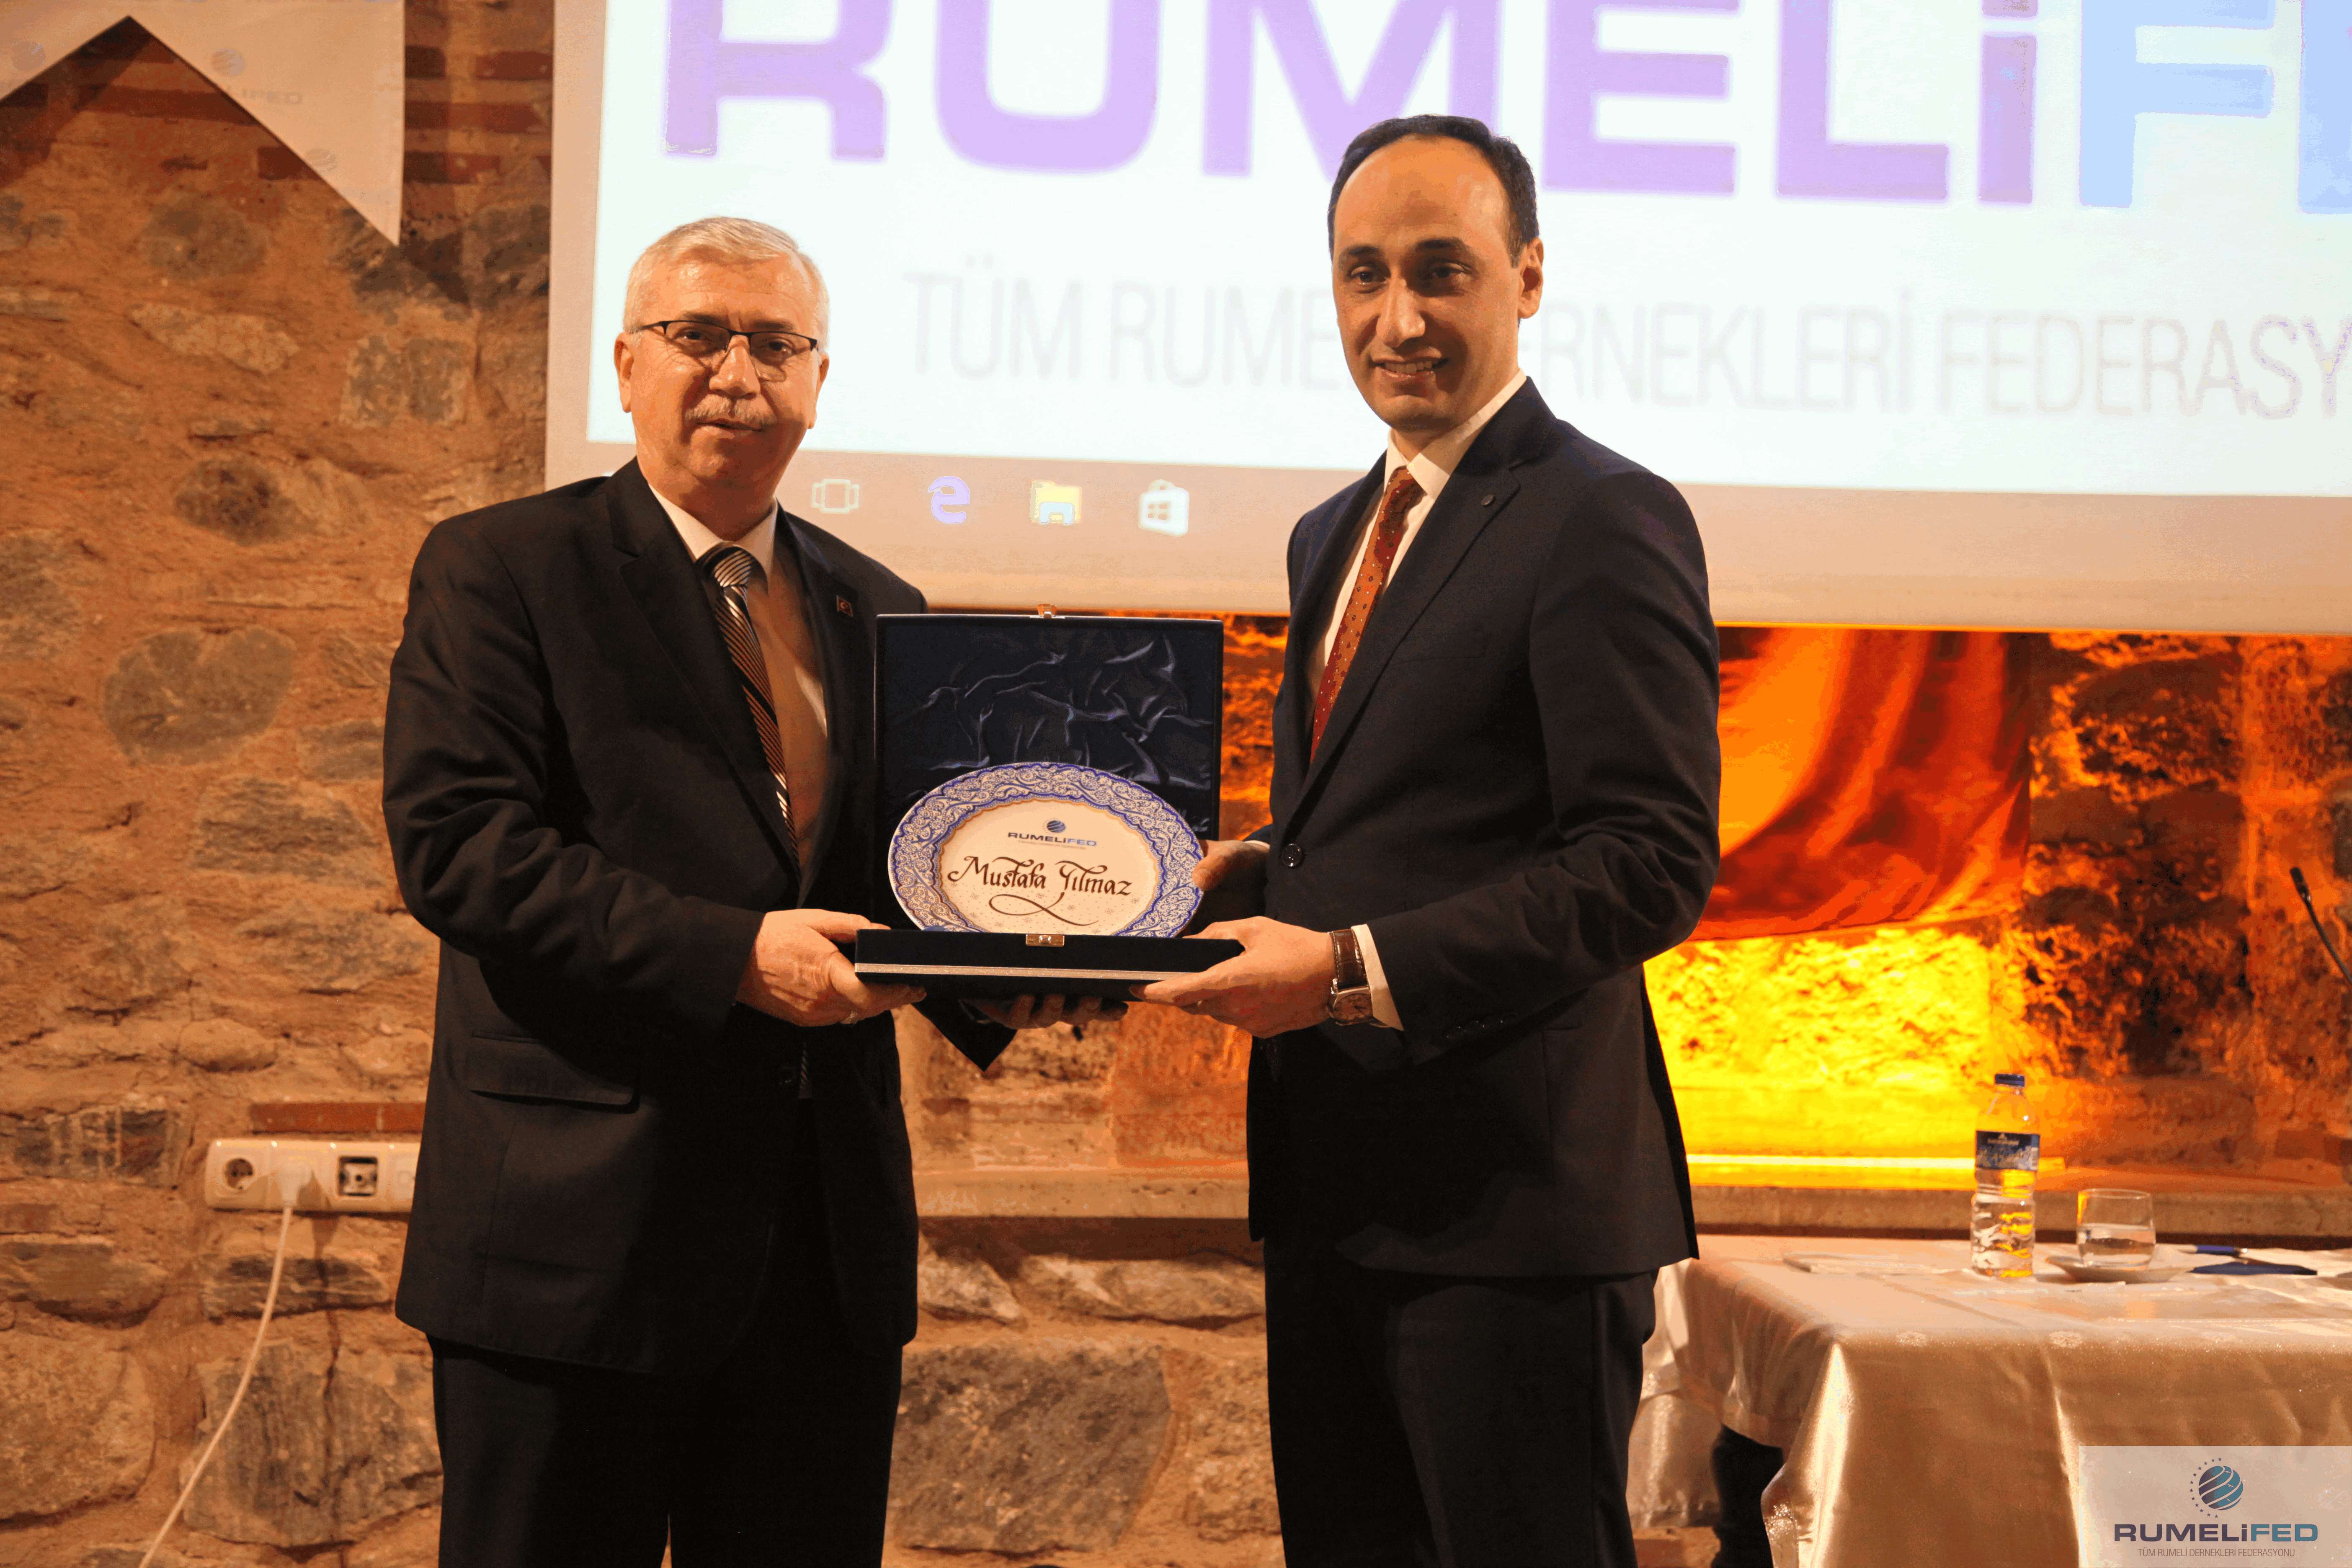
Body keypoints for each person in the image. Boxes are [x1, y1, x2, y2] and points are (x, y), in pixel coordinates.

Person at [383, 216, 1104, 1567]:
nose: (737, 373)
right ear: (627, 366)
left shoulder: (882, 604)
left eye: (777, 343)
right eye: (698, 335)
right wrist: (735, 956)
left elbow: (910, 878)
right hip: (570, 1250)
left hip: (816, 1261)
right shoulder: (503, 568)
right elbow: (459, 849)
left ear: (819, 380)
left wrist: (1034, 966)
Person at [1136, 117, 1722, 1568]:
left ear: (1528, 278)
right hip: (1335, 1193)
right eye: (1365, 274)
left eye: (1440, 271)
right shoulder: (1334, 530)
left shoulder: (1604, 515)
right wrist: (1269, 869)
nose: (1397, 317)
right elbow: (1426, 806)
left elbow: (1648, 861)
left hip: (1513, 1214)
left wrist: (1344, 968)